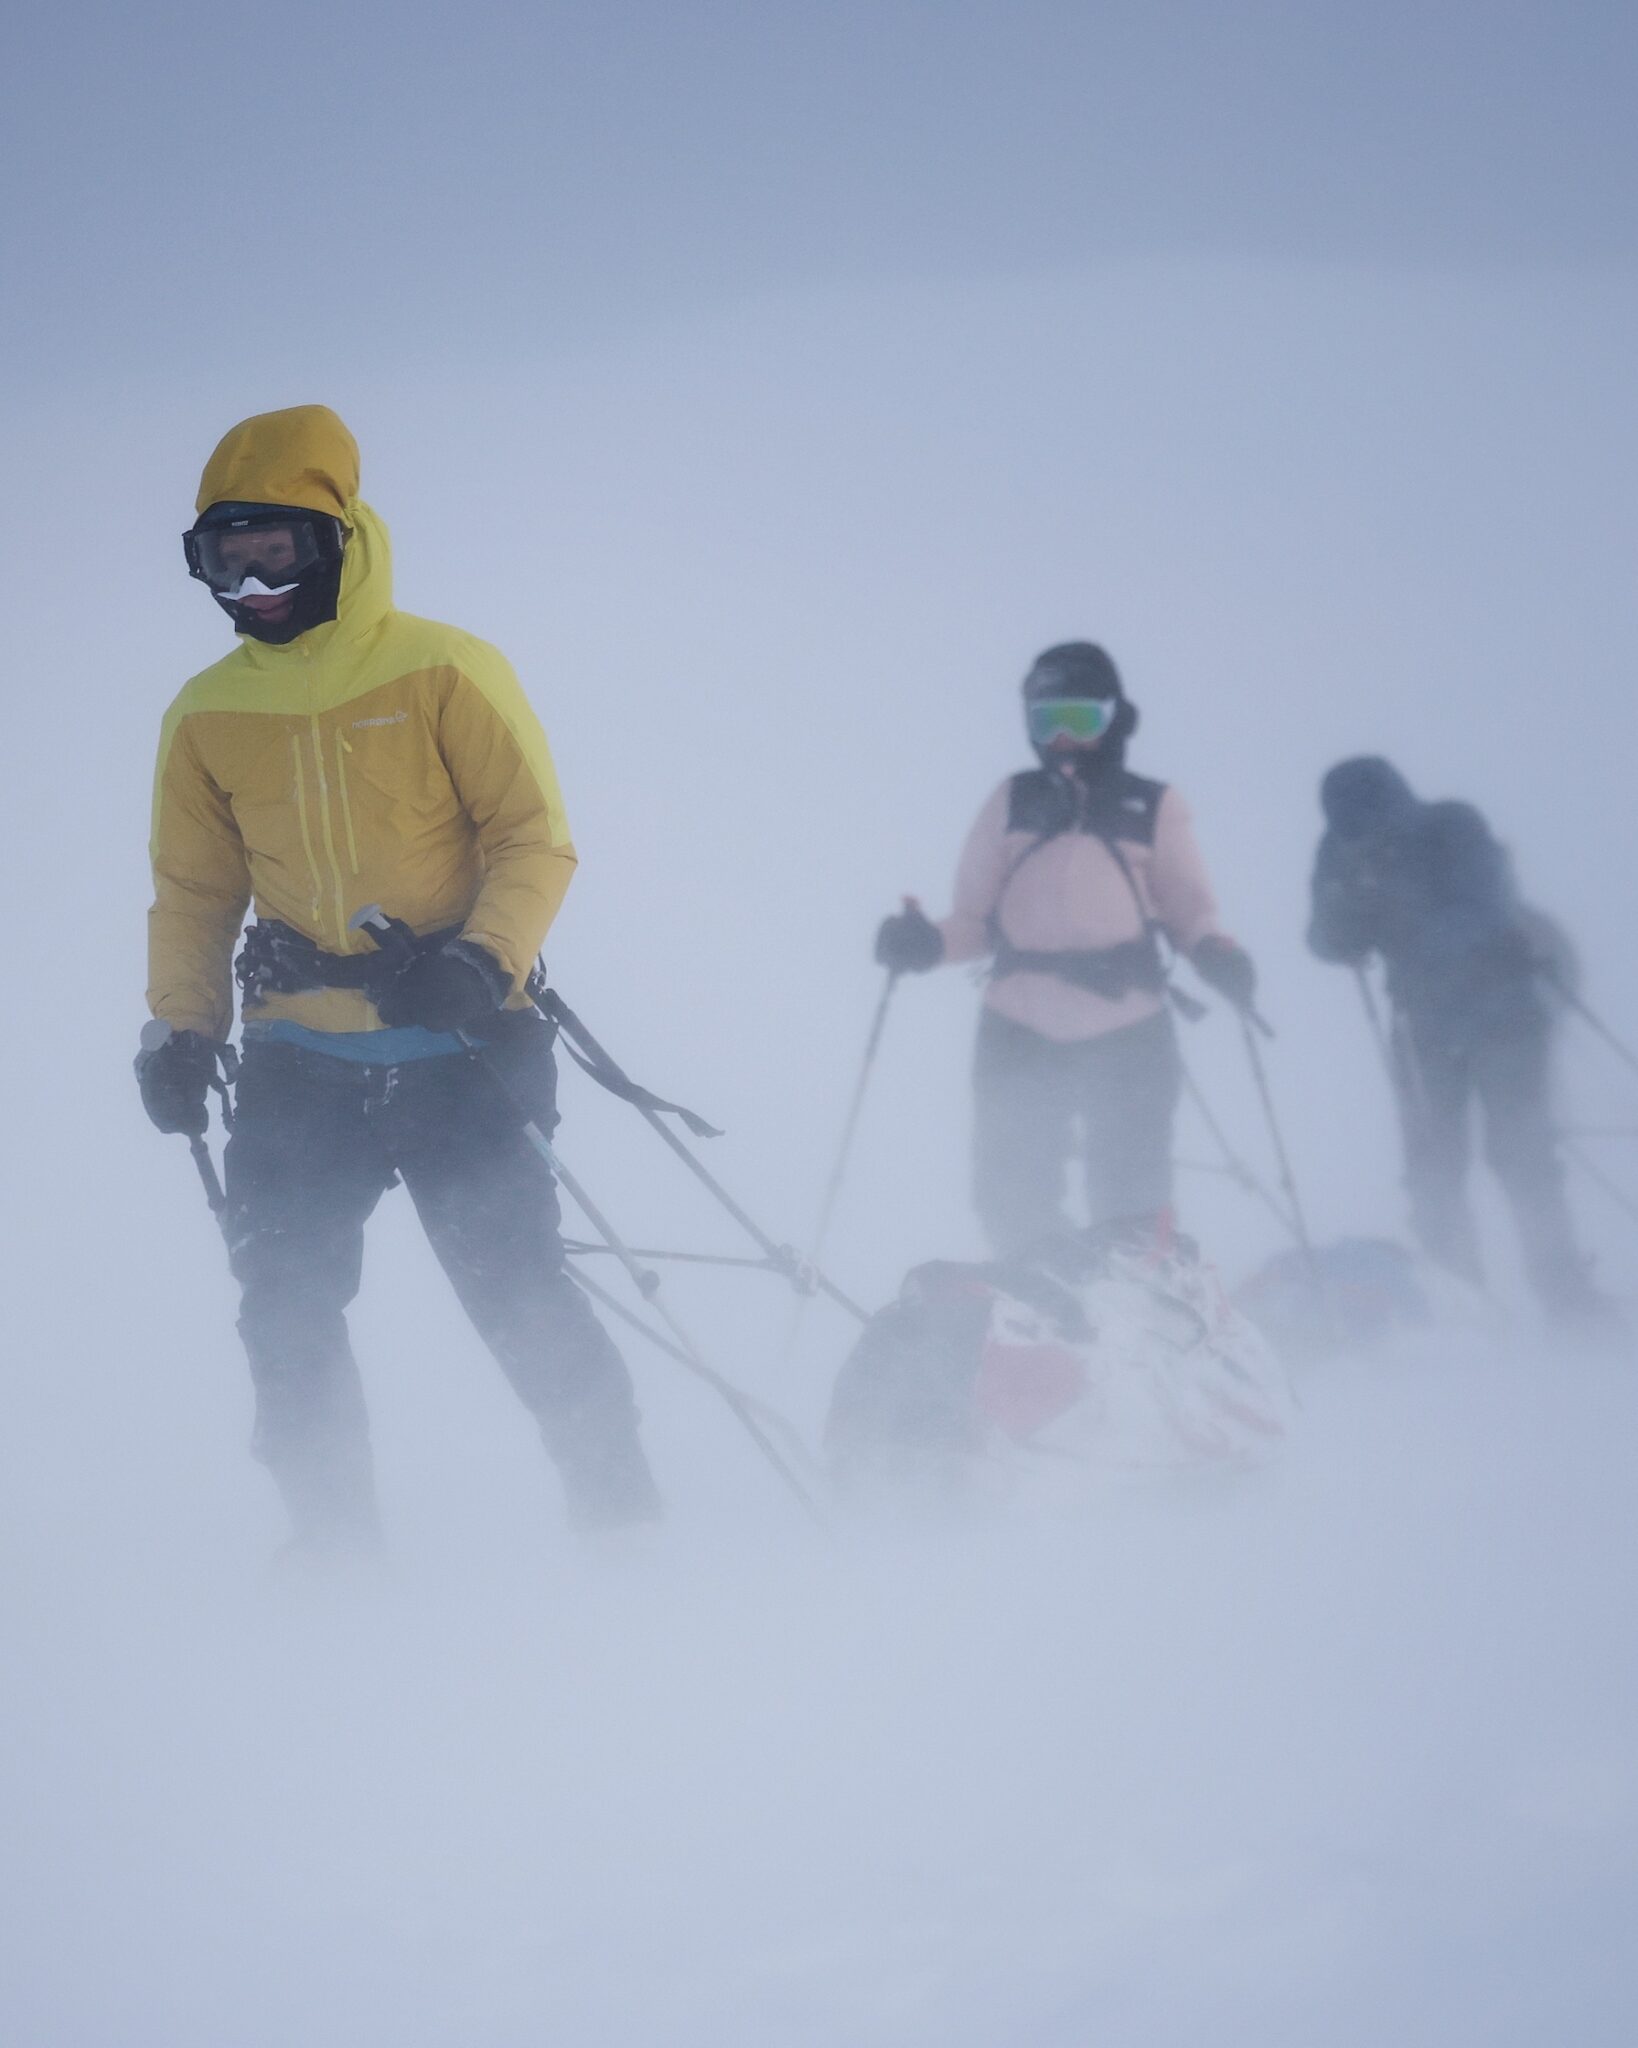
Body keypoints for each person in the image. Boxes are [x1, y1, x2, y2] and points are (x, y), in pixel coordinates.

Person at [136, 404, 660, 1554]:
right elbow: (194, 893)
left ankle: (621, 1517)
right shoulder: (207, 711)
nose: (252, 583)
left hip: (462, 1046)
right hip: (296, 1060)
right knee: (283, 1302)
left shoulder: (444, 668)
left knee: (514, 1291)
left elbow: (533, 839)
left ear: (333, 540)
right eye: (225, 558)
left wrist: (481, 960)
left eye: (274, 550)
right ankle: (334, 1551)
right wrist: (181, 1031)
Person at [873, 642, 1255, 1256]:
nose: (1064, 740)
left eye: (1081, 719)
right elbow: (974, 922)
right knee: (1011, 1188)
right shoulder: (1013, 800)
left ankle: (1140, 1293)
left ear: (1115, 719)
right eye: (1047, 721)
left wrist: (1214, 952)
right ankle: (1037, 1291)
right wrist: (925, 944)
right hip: (1019, 1023)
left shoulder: (1152, 806)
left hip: (1127, 1025)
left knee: (1130, 1192)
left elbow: (1190, 911)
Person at [1306, 755, 1608, 1324]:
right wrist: (1345, 920)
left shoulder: (1452, 827)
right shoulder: (1341, 849)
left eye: (1369, 826)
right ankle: (1460, 1303)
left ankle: (1564, 1298)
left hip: (1503, 1013)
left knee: (1519, 1155)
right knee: (1434, 1168)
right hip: (1424, 1025)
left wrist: (1385, 917)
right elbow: (1322, 938)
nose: (1362, 839)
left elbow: (1484, 911)